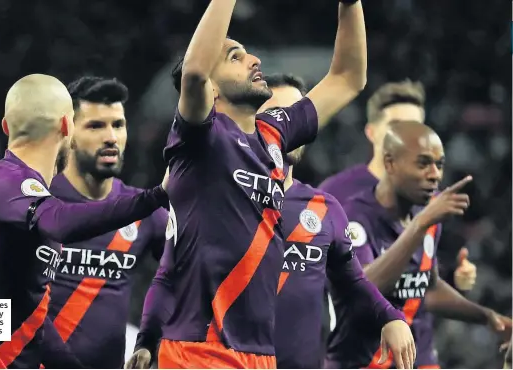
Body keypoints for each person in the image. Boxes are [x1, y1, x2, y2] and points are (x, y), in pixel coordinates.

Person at [156, 0, 392, 366]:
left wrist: (350, 4)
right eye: (235, 57)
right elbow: (195, 72)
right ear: (211, 92)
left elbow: (348, 78)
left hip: (260, 354)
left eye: (250, 54)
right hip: (201, 350)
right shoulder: (199, 140)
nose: (254, 60)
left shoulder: (273, 135)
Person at [128, 74, 416, 370]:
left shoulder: (324, 209)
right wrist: (147, 340)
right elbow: (168, 275)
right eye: (276, 116)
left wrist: (389, 316)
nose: (288, 128)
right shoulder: (213, 200)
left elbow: (353, 280)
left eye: (295, 116)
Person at [0, 74, 168, 369]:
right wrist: (159, 194)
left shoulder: (18, 193)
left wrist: (148, 341)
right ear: (68, 127)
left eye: (118, 125)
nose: (110, 137)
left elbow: (31, 320)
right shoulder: (19, 190)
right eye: (95, 125)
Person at [325, 121, 512, 369]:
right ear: (390, 163)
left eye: (439, 165)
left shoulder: (426, 213)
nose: (435, 174)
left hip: (410, 359)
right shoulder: (353, 216)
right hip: (359, 362)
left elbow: (427, 288)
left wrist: (486, 316)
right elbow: (362, 289)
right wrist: (420, 224)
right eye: (423, 163)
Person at [318, 80, 477, 293]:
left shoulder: (430, 198)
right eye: (396, 126)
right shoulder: (334, 193)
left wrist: (456, 279)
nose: (407, 136)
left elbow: (425, 277)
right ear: (371, 132)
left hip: (418, 326)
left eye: (415, 127)